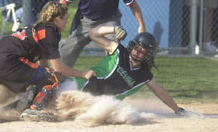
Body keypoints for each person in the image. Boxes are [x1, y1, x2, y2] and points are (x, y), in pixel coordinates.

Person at [0, 1, 95, 119]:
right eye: (65, 19)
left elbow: (43, 64)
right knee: (51, 77)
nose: (67, 22)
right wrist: (84, 74)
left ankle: (8, 110)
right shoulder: (50, 32)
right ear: (57, 19)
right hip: (7, 61)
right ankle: (33, 109)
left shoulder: (40, 29)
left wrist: (50, 84)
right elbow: (58, 68)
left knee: (43, 78)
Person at [59, 26, 187, 115]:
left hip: (100, 105)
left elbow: (161, 92)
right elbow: (93, 33)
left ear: (148, 56)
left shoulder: (144, 76)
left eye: (142, 51)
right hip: (83, 85)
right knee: (60, 94)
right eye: (136, 48)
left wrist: (177, 109)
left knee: (90, 114)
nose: (137, 52)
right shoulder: (119, 51)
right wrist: (114, 30)